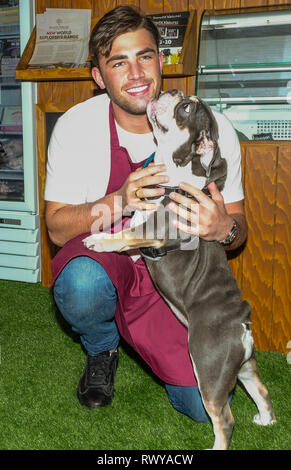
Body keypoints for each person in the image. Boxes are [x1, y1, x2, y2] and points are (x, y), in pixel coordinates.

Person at [45, 6, 247, 421]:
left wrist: (224, 228)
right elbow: (56, 228)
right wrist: (120, 198)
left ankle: (149, 337)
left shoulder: (213, 128)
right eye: (119, 62)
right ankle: (102, 346)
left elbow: (239, 231)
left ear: (161, 61)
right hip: (109, 262)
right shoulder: (75, 126)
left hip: (176, 278)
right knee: (82, 286)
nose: (136, 74)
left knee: (206, 407)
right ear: (99, 77)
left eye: (145, 56)